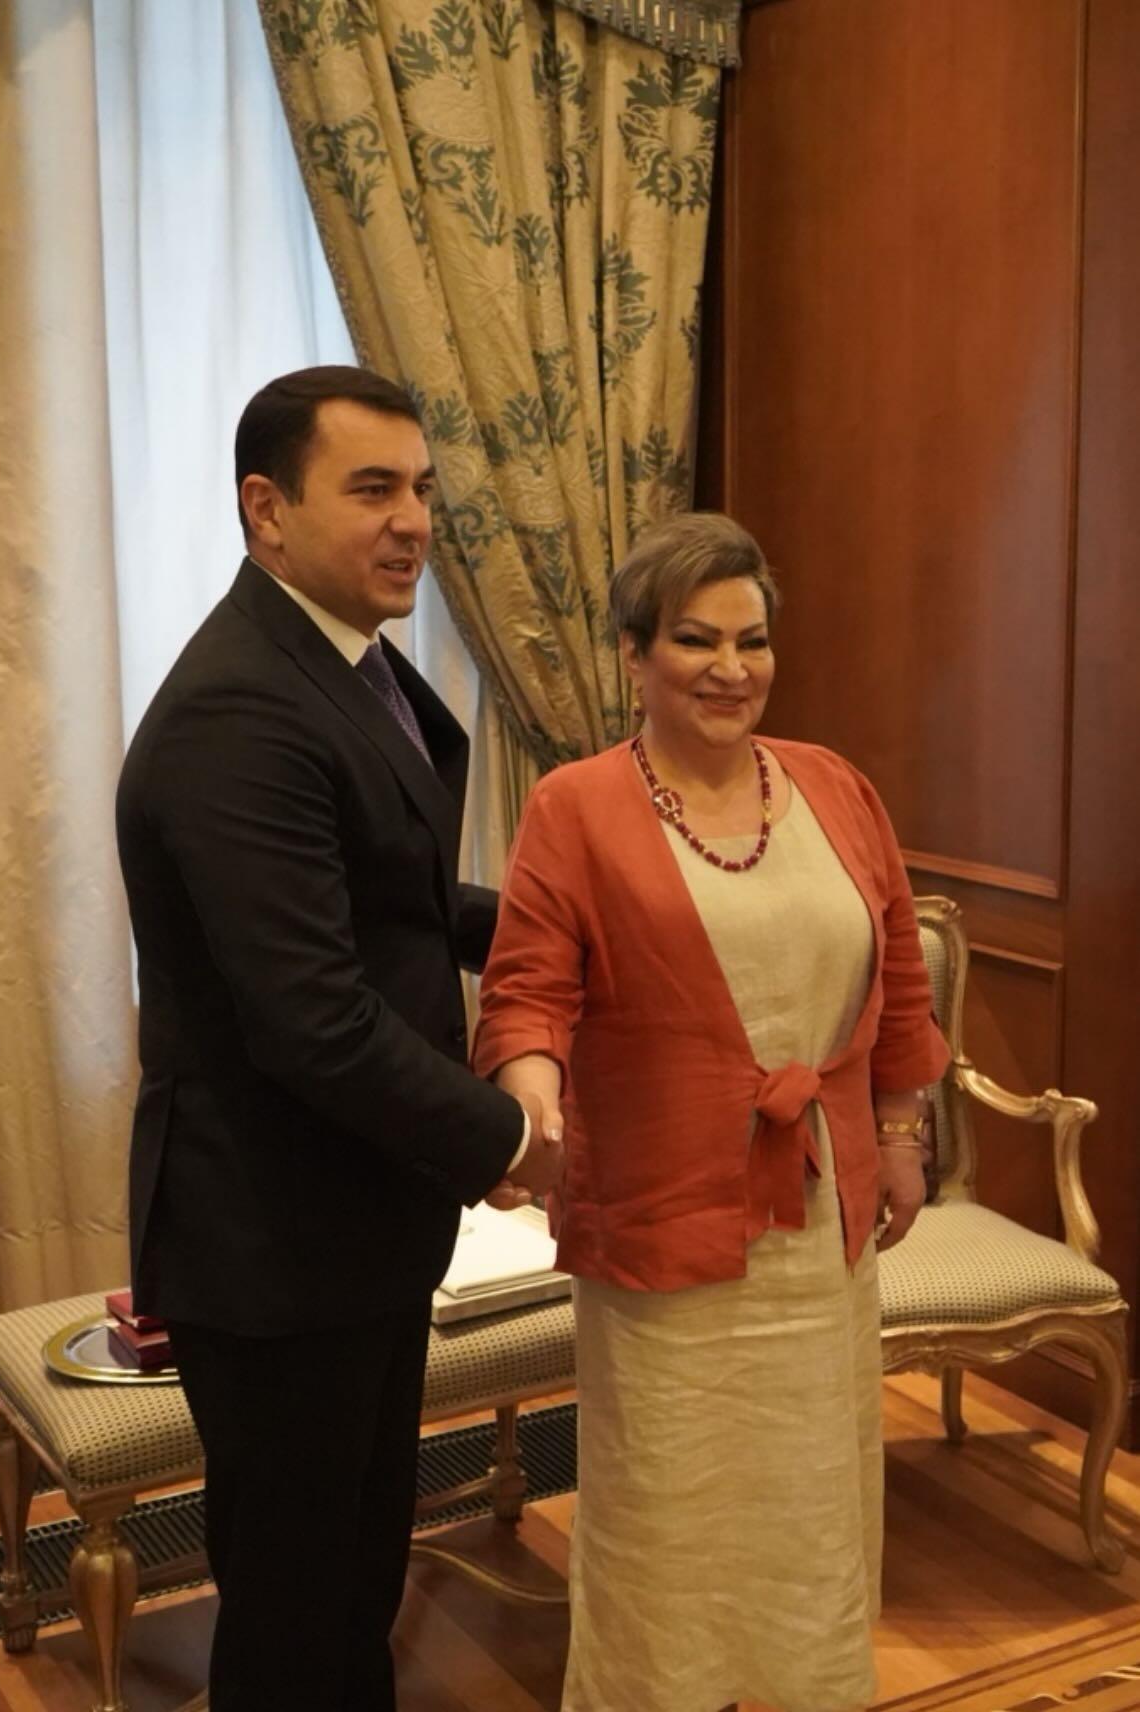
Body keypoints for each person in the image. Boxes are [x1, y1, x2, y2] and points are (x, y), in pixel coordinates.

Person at [115, 365, 563, 1712]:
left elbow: (396, 903)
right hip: (271, 1239)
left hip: (350, 1221)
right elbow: (314, 1017)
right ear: (267, 509)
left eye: (421, 488)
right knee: (298, 1605)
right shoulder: (240, 710)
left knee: (357, 1569)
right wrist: (513, 1137)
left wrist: (570, 929)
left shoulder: (340, 665)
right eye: (372, 489)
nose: (413, 520)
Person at [473, 511, 950, 1712]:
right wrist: (532, 1105)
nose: (732, 668)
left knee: (808, 1497)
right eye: (696, 639)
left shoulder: (836, 786)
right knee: (670, 1510)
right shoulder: (575, 806)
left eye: (752, 640)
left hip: (822, 1226)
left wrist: (901, 1134)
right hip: (663, 1224)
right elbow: (529, 990)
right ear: (635, 653)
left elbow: (897, 978)